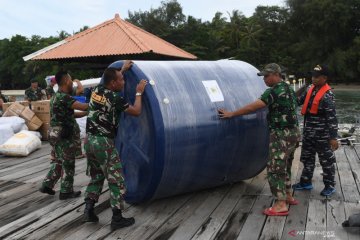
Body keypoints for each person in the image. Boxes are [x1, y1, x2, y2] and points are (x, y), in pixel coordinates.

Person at [218, 63, 301, 216]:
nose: (264, 79)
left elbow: (254, 107)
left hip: (281, 135)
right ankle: (288, 195)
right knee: (286, 165)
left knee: (275, 169)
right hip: (294, 133)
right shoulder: (289, 88)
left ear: (276, 74)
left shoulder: (274, 91)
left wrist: (232, 114)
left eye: (267, 76)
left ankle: (280, 204)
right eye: (263, 76)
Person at [83, 60, 147, 230]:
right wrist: (139, 93)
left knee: (97, 176)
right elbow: (136, 111)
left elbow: (109, 78)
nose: (124, 81)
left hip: (89, 140)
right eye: (121, 79)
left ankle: (89, 209)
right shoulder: (115, 98)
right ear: (113, 83)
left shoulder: (98, 90)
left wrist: (123, 70)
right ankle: (117, 218)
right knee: (116, 180)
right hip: (103, 142)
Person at [39, 70, 88, 200]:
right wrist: (99, 103)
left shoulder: (56, 96)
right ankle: (66, 191)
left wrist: (85, 113)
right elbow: (83, 107)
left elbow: (71, 114)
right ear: (66, 80)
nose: (72, 82)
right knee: (68, 163)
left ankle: (47, 184)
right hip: (65, 135)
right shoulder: (64, 98)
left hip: (55, 133)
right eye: (71, 79)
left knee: (58, 160)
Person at [292, 64, 338, 196]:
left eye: (317, 77)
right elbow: (298, 101)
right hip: (308, 131)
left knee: (326, 161)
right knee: (307, 158)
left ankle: (329, 186)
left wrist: (333, 138)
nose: (313, 78)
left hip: (322, 134)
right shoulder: (309, 90)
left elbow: (332, 118)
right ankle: (305, 182)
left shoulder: (328, 96)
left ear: (324, 78)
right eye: (312, 75)